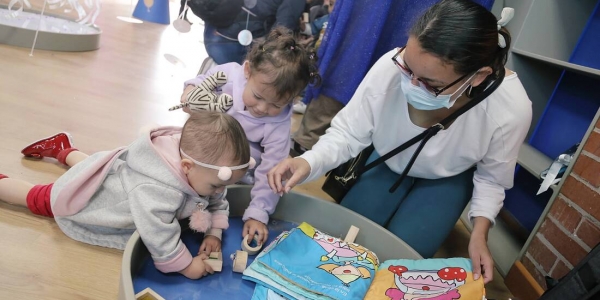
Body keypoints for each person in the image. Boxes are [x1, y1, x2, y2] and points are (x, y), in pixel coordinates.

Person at [268, 0, 532, 284]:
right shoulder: (389, 67)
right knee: (344, 244)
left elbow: (492, 179)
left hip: (449, 178)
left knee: (403, 264)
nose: (411, 84)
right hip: (388, 160)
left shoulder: (511, 108)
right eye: (407, 67)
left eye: (430, 83)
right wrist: (307, 162)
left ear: (478, 77)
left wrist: (480, 233)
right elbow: (348, 133)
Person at [0, 111, 252, 280]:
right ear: (186, 167)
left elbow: (216, 200)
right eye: (215, 186)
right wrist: (186, 265)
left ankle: (63, 149)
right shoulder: (158, 191)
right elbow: (158, 234)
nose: (220, 192)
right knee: (43, 199)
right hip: (102, 198)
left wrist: (213, 232)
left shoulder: (202, 170)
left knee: (89, 168)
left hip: (117, 175)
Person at [180, 27, 321, 246]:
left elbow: (272, 170)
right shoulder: (228, 75)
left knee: (230, 192)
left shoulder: (279, 125)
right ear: (247, 71)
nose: (263, 108)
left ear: (293, 99)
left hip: (238, 171)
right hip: (202, 145)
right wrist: (190, 94)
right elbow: (199, 83)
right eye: (257, 96)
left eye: (277, 104)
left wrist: (257, 213)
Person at [190, 0, 305, 65]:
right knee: (234, 87)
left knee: (220, 77)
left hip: (214, 31)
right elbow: (282, 29)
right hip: (240, 43)